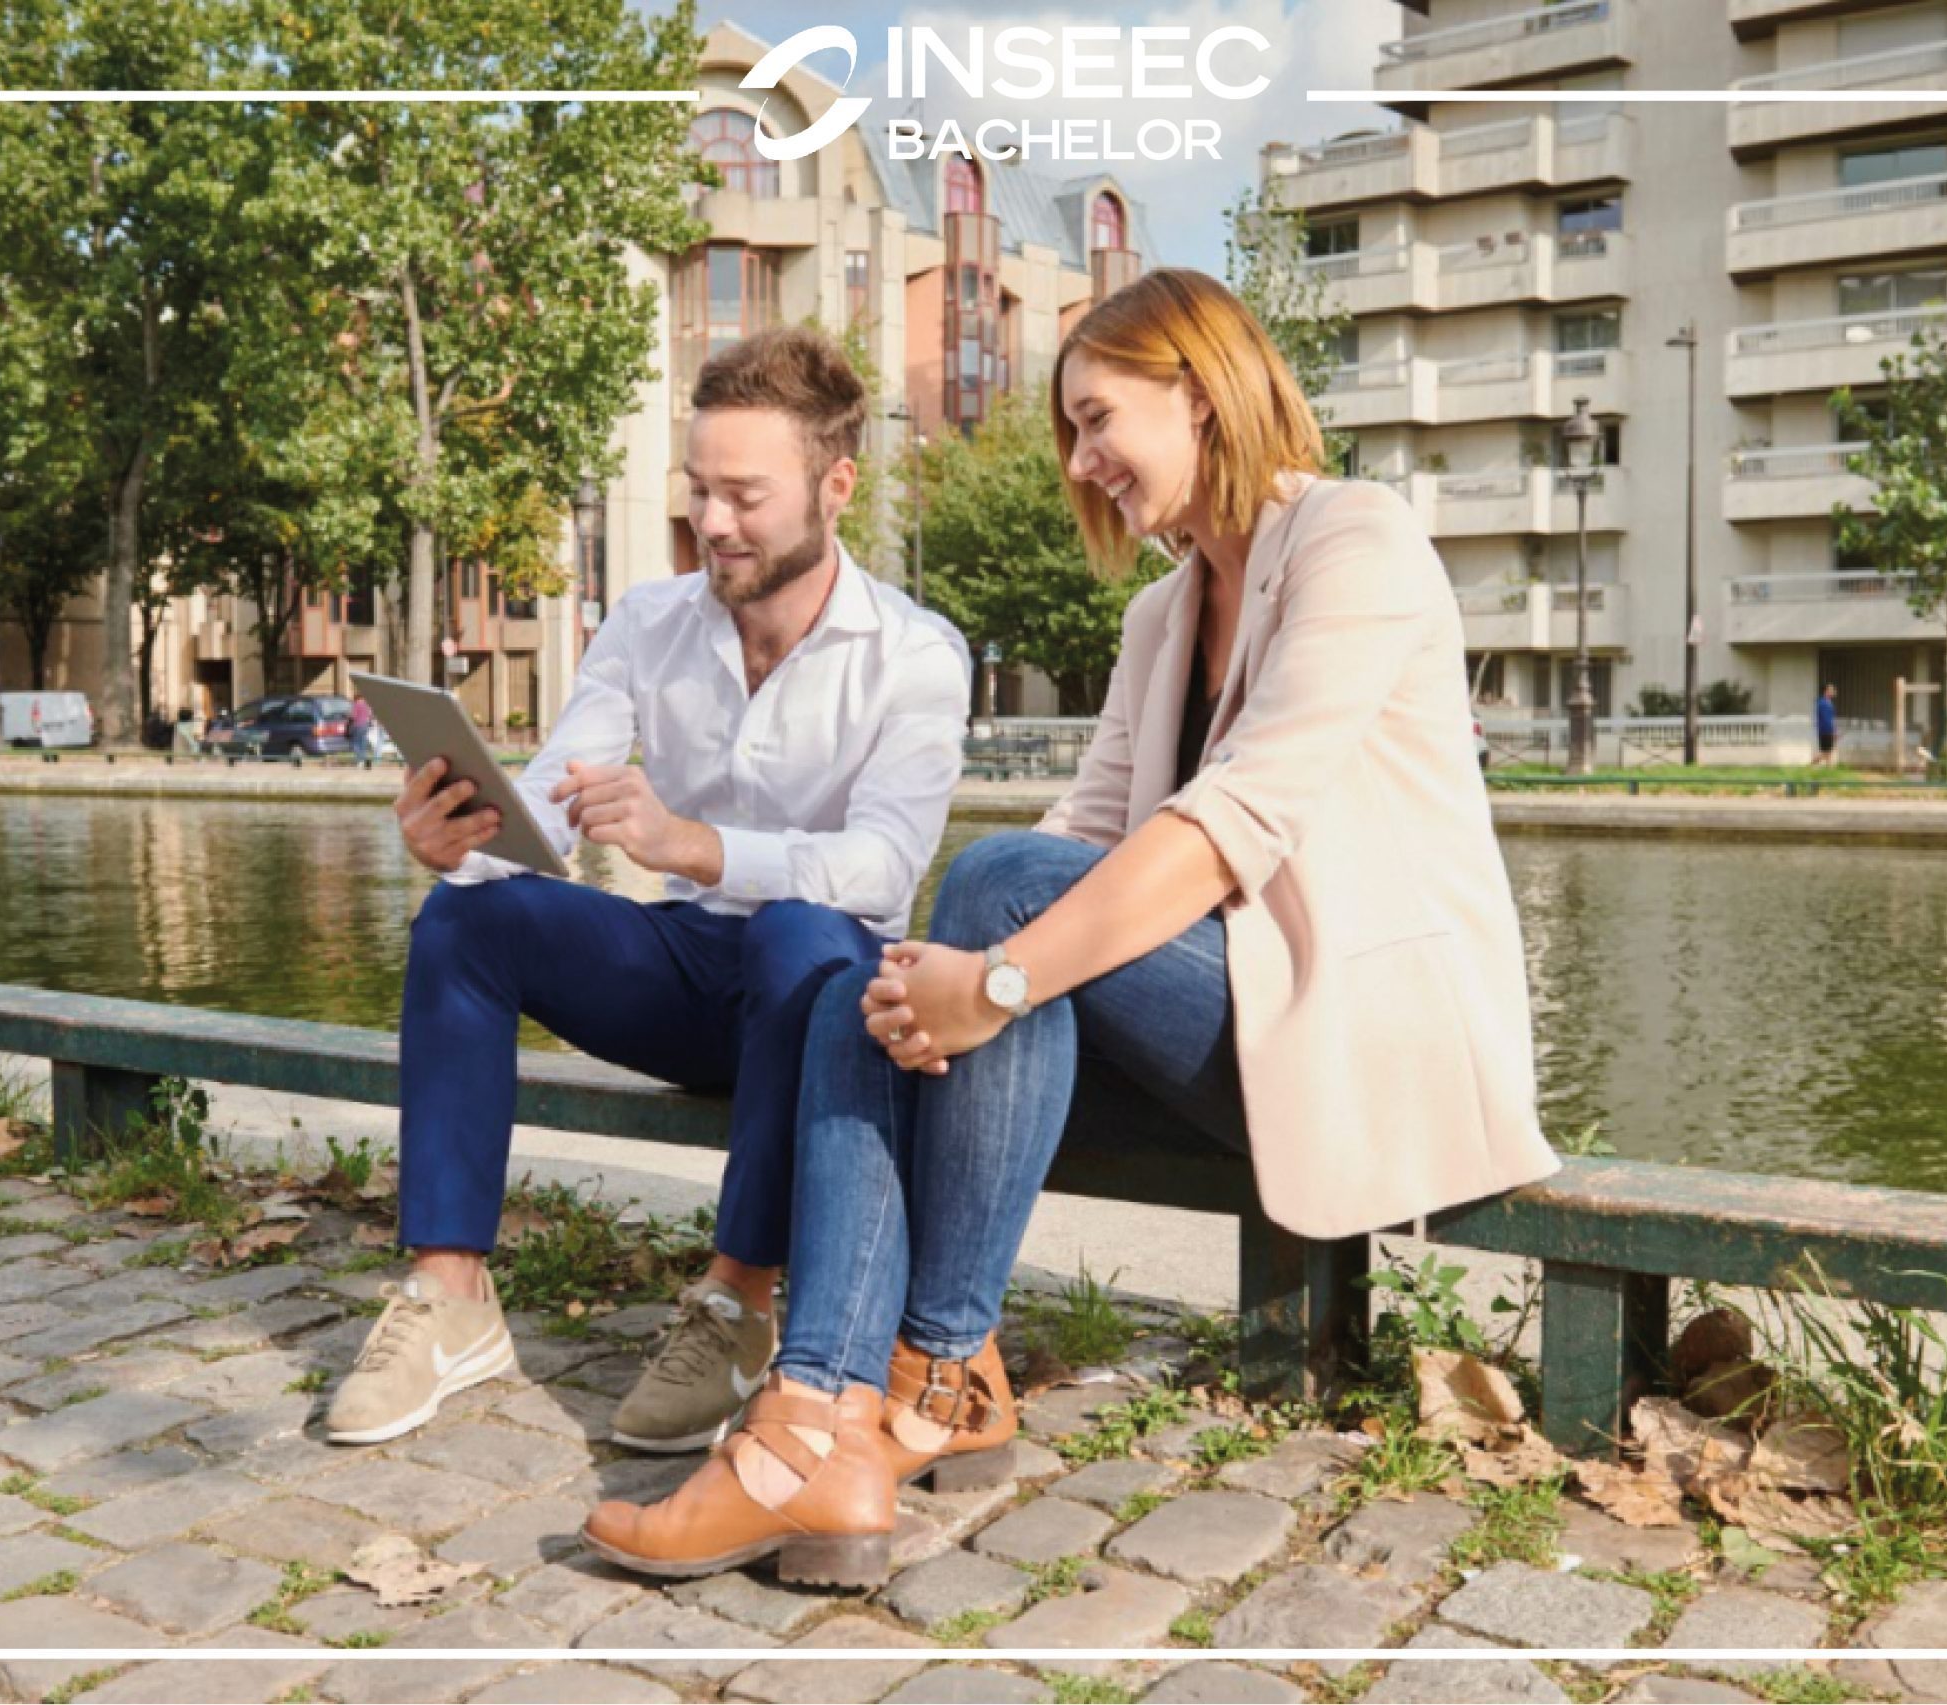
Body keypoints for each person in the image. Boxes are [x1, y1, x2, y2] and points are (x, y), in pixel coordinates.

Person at [581, 269, 1560, 1585]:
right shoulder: (1165, 611)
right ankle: (817, 1419)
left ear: (1203, 392)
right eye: (1074, 434)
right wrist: (935, 978)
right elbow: (1091, 824)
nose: (1085, 462)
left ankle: (931, 1373)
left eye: (1099, 420)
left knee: (996, 902)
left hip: (1355, 1030)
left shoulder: (1356, 542)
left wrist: (993, 976)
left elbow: (1230, 824)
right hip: (1220, 1024)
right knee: (856, 991)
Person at [327, 326, 973, 1452]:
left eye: (744, 494)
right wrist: (464, 838)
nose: (711, 522)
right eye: (697, 489)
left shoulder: (916, 653)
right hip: (679, 972)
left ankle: (737, 1306)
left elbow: (885, 868)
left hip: (827, 1007)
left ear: (835, 486)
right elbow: (552, 792)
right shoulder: (645, 621)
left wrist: (693, 843)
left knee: (802, 931)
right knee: (470, 921)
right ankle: (451, 1296)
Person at [348, 689, 376, 766]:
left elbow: (353, 716)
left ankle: (359, 760)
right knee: (363, 742)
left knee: (355, 743)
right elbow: (371, 715)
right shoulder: (367, 704)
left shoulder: (356, 704)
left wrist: (348, 719)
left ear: (356, 697)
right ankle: (363, 759)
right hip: (366, 725)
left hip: (357, 725)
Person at [1813, 683, 1838, 767]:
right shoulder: (1824, 703)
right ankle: (1811, 765)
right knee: (1826, 752)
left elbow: (1830, 719)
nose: (1834, 691)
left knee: (1828, 752)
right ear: (1826, 691)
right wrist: (1833, 732)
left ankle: (1828, 769)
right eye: (1831, 690)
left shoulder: (1827, 702)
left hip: (1825, 730)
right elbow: (1826, 719)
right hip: (1825, 730)